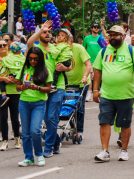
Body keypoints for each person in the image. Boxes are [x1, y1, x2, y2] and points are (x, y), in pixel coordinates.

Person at [92, 25, 134, 163]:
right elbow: (97, 71)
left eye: (116, 34)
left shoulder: (131, 50)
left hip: (125, 95)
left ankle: (124, 151)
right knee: (104, 122)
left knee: (125, 124)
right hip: (107, 95)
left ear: (123, 36)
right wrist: (95, 90)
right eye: (111, 34)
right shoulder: (104, 51)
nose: (113, 37)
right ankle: (104, 151)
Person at [27, 20, 72, 158]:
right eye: (44, 32)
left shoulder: (55, 48)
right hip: (42, 87)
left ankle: (49, 146)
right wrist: (41, 29)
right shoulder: (36, 49)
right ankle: (56, 141)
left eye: (48, 32)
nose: (47, 34)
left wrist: (66, 68)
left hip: (57, 87)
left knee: (52, 117)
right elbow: (28, 43)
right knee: (47, 119)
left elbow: (69, 64)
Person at [16, 46, 53, 167]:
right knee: (25, 132)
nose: (32, 61)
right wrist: (22, 87)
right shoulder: (24, 69)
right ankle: (28, 157)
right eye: (30, 59)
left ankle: (39, 154)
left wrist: (37, 88)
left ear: (40, 59)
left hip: (39, 103)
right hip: (24, 103)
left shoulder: (45, 71)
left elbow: (48, 89)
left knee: (35, 130)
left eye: (36, 59)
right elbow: (17, 86)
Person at [0, 40, 23, 151]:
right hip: (1, 92)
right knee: (3, 116)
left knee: (14, 117)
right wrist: (3, 79)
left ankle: (17, 139)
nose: (3, 47)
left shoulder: (14, 57)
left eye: (5, 45)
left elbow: (21, 71)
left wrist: (15, 80)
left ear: (8, 47)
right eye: (0, 46)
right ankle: (5, 141)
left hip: (14, 91)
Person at [64, 32, 92, 137]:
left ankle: (79, 130)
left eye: (65, 41)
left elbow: (88, 65)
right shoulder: (60, 50)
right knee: (68, 106)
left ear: (71, 41)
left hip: (81, 83)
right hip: (67, 83)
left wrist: (85, 76)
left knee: (79, 107)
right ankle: (72, 127)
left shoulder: (79, 48)